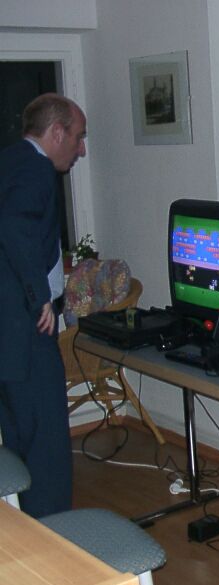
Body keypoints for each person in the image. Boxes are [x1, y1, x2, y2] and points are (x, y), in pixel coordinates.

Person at [0, 93, 87, 517]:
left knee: (18, 438)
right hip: (27, 327)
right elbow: (14, 226)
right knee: (47, 444)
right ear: (56, 132)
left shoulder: (9, 160)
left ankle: (23, 531)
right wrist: (41, 299)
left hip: (7, 333)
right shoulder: (35, 169)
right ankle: (54, 534)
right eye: (78, 136)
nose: (80, 149)